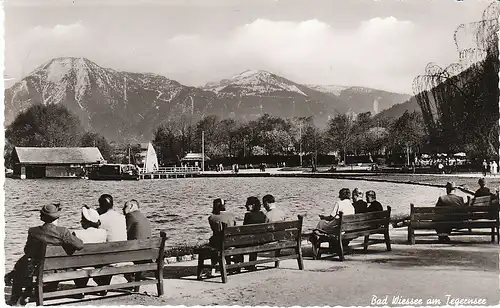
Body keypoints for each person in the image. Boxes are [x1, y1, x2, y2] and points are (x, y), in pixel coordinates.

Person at [6, 203, 84, 305]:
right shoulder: (63, 232)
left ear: (42, 217)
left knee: (21, 266)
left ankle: (15, 298)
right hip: (58, 270)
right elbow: (79, 245)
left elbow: (27, 251)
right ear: (57, 217)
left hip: (38, 271)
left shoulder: (33, 231)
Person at [72, 206, 107, 296]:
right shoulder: (103, 233)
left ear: (85, 222)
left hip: (82, 265)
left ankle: (81, 287)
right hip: (98, 264)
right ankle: (103, 285)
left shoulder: (77, 234)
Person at [96, 194, 127, 289]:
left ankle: (103, 283)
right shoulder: (122, 217)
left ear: (101, 206)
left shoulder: (100, 219)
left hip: (109, 257)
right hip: (124, 255)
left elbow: (98, 238)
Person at [204, 198, 239, 277]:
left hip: (221, 244)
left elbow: (214, 231)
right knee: (221, 241)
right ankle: (229, 266)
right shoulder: (231, 215)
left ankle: (213, 269)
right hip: (232, 242)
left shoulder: (212, 218)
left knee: (214, 243)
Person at [243, 197, 268, 269]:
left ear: (253, 205)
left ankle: (239, 265)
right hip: (260, 240)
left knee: (239, 243)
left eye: (247, 204)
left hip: (251, 241)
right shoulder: (262, 214)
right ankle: (252, 264)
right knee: (253, 240)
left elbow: (244, 229)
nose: (246, 206)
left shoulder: (248, 215)